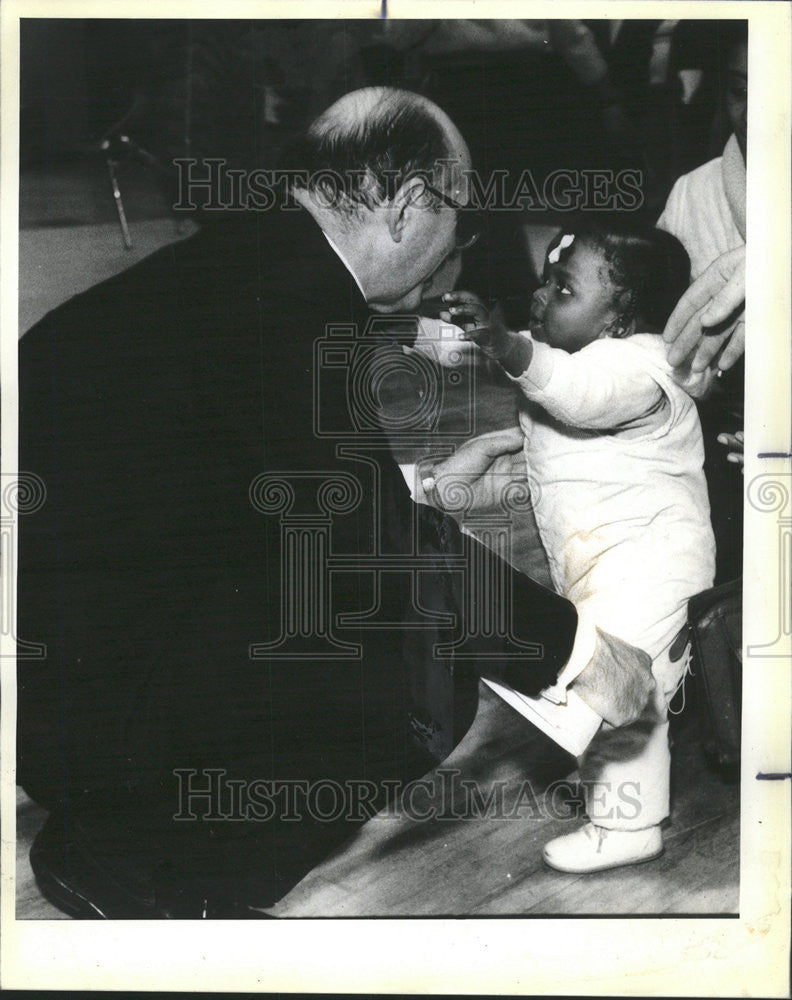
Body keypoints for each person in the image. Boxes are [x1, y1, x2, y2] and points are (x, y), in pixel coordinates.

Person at [17, 87, 578, 917]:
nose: (454, 247)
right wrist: (580, 656)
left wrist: (424, 489)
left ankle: (125, 827)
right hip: (99, 714)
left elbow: (254, 496)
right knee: (417, 668)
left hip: (64, 688)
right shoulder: (291, 310)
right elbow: (369, 559)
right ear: (410, 205)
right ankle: (142, 877)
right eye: (459, 220)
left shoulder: (244, 262)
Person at [437, 218, 716, 872]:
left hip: (655, 565)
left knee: (620, 687)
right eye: (545, 280)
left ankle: (629, 826)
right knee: (614, 686)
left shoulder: (644, 368)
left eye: (563, 289)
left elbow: (582, 397)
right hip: (596, 564)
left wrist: (508, 347)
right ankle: (607, 787)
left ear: (622, 321)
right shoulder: (575, 357)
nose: (541, 297)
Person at [658, 20, 747, 581]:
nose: (757, 114)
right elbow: (660, 339)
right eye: (741, 90)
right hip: (723, 436)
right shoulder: (696, 191)